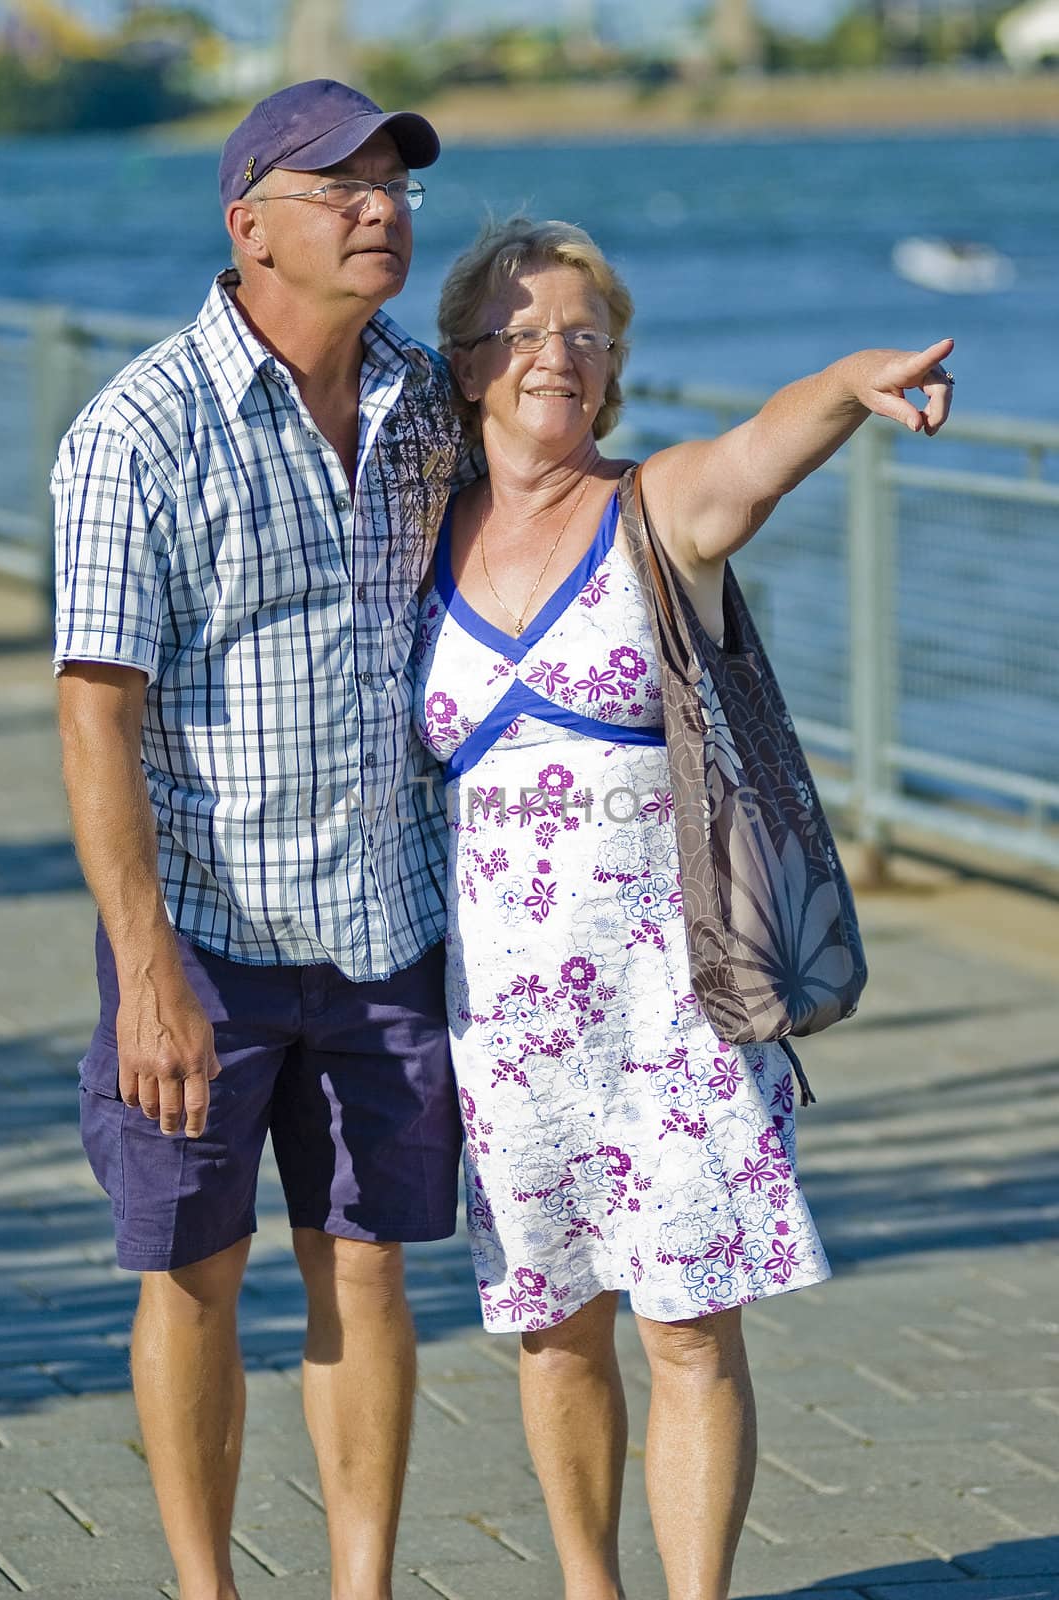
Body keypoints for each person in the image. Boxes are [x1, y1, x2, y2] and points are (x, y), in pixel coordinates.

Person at [416, 216, 954, 1600]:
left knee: (687, 1330)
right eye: (527, 331)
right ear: (469, 360)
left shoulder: (655, 512)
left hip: (672, 1013)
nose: (558, 355)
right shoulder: (421, 538)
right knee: (553, 1331)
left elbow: (758, 455)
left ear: (614, 370)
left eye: (586, 334)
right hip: (506, 1027)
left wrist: (846, 383)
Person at [52, 80, 471, 1600]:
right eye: (341, 187)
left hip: (384, 925)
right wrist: (148, 972)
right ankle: (204, 1587)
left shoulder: (431, 403)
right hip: (207, 947)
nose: (383, 211)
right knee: (195, 1270)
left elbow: (581, 496)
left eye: (397, 188)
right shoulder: (140, 432)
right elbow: (93, 713)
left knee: (366, 1263)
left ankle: (360, 1587)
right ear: (249, 227)